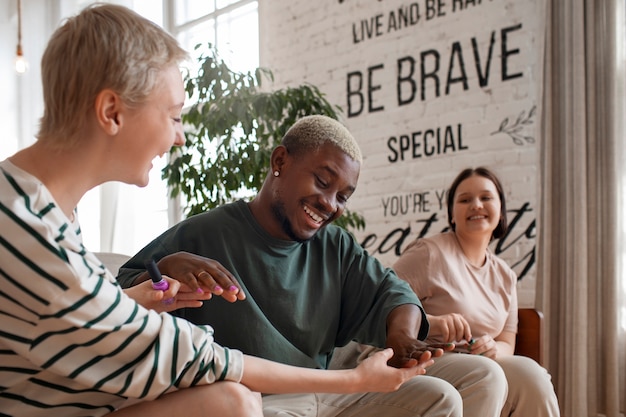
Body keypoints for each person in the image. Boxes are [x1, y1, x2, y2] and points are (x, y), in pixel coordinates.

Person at [0, 5, 436, 417]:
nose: (181, 138)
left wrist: (136, 299)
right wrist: (356, 379)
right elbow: (186, 356)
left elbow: (87, 314)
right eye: (173, 116)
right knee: (232, 401)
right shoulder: (33, 236)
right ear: (112, 111)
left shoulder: (44, 211)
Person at [117, 115, 504, 416]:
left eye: (343, 196)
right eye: (322, 182)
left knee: (440, 398)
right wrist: (168, 265)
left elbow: (392, 291)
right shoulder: (206, 232)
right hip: (258, 402)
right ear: (280, 161)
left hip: (332, 390)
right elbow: (124, 291)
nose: (331, 204)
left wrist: (402, 336)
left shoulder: (334, 246)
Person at [390, 166, 561, 417]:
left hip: (482, 363)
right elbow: (382, 306)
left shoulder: (505, 276)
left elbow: (506, 342)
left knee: (532, 375)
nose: (476, 205)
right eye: (465, 199)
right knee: (488, 373)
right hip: (430, 359)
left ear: (501, 209)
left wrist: (494, 349)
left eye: (486, 197)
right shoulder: (428, 253)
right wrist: (433, 323)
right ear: (451, 214)